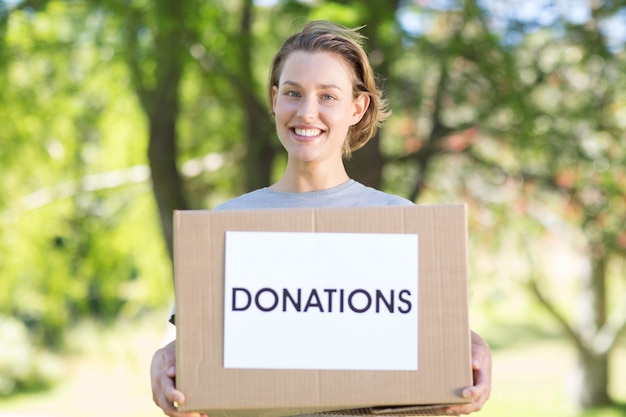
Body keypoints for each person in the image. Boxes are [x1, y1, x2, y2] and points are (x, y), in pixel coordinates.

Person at [151, 20, 492, 417]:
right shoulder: (228, 224)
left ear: (357, 107)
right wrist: (166, 359)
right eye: (293, 93)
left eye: (328, 96)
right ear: (275, 100)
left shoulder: (400, 222)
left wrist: (475, 349)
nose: (306, 112)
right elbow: (203, 344)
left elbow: (435, 336)